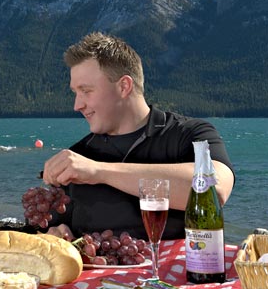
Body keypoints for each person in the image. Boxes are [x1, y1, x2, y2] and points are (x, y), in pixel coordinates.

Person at [42, 32, 234, 241]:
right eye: (75, 93)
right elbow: (56, 230)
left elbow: (214, 189)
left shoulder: (189, 133)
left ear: (124, 86)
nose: (77, 105)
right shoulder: (77, 157)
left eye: (86, 91)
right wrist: (56, 233)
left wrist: (99, 171)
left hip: (184, 271)